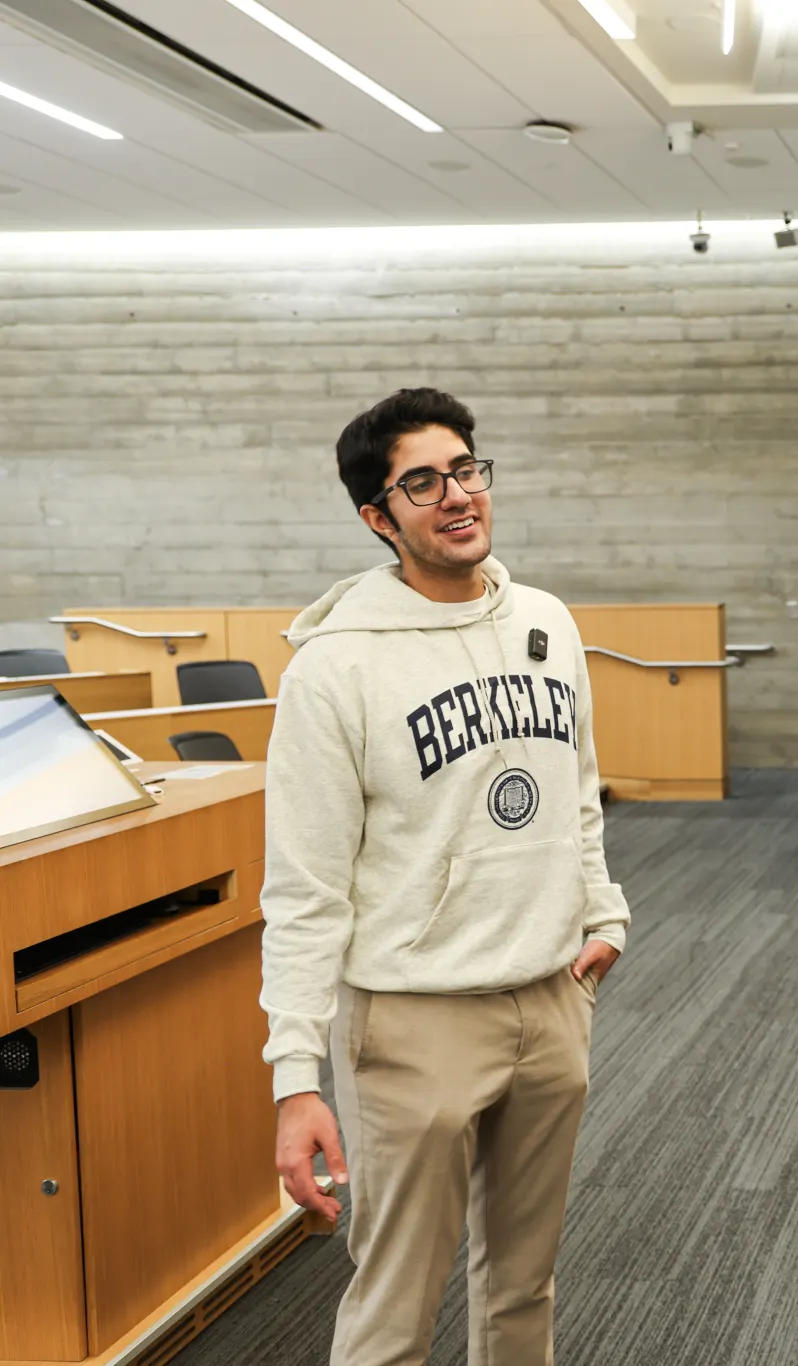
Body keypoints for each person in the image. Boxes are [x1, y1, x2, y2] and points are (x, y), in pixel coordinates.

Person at [260, 388, 629, 1366]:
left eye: (466, 469)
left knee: (523, 1287)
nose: (457, 494)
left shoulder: (545, 621)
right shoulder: (333, 671)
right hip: (412, 1022)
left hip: (551, 1001)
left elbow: (575, 788)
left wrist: (602, 911)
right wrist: (296, 1077)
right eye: (421, 482)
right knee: (395, 1308)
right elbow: (303, 889)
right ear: (378, 517)